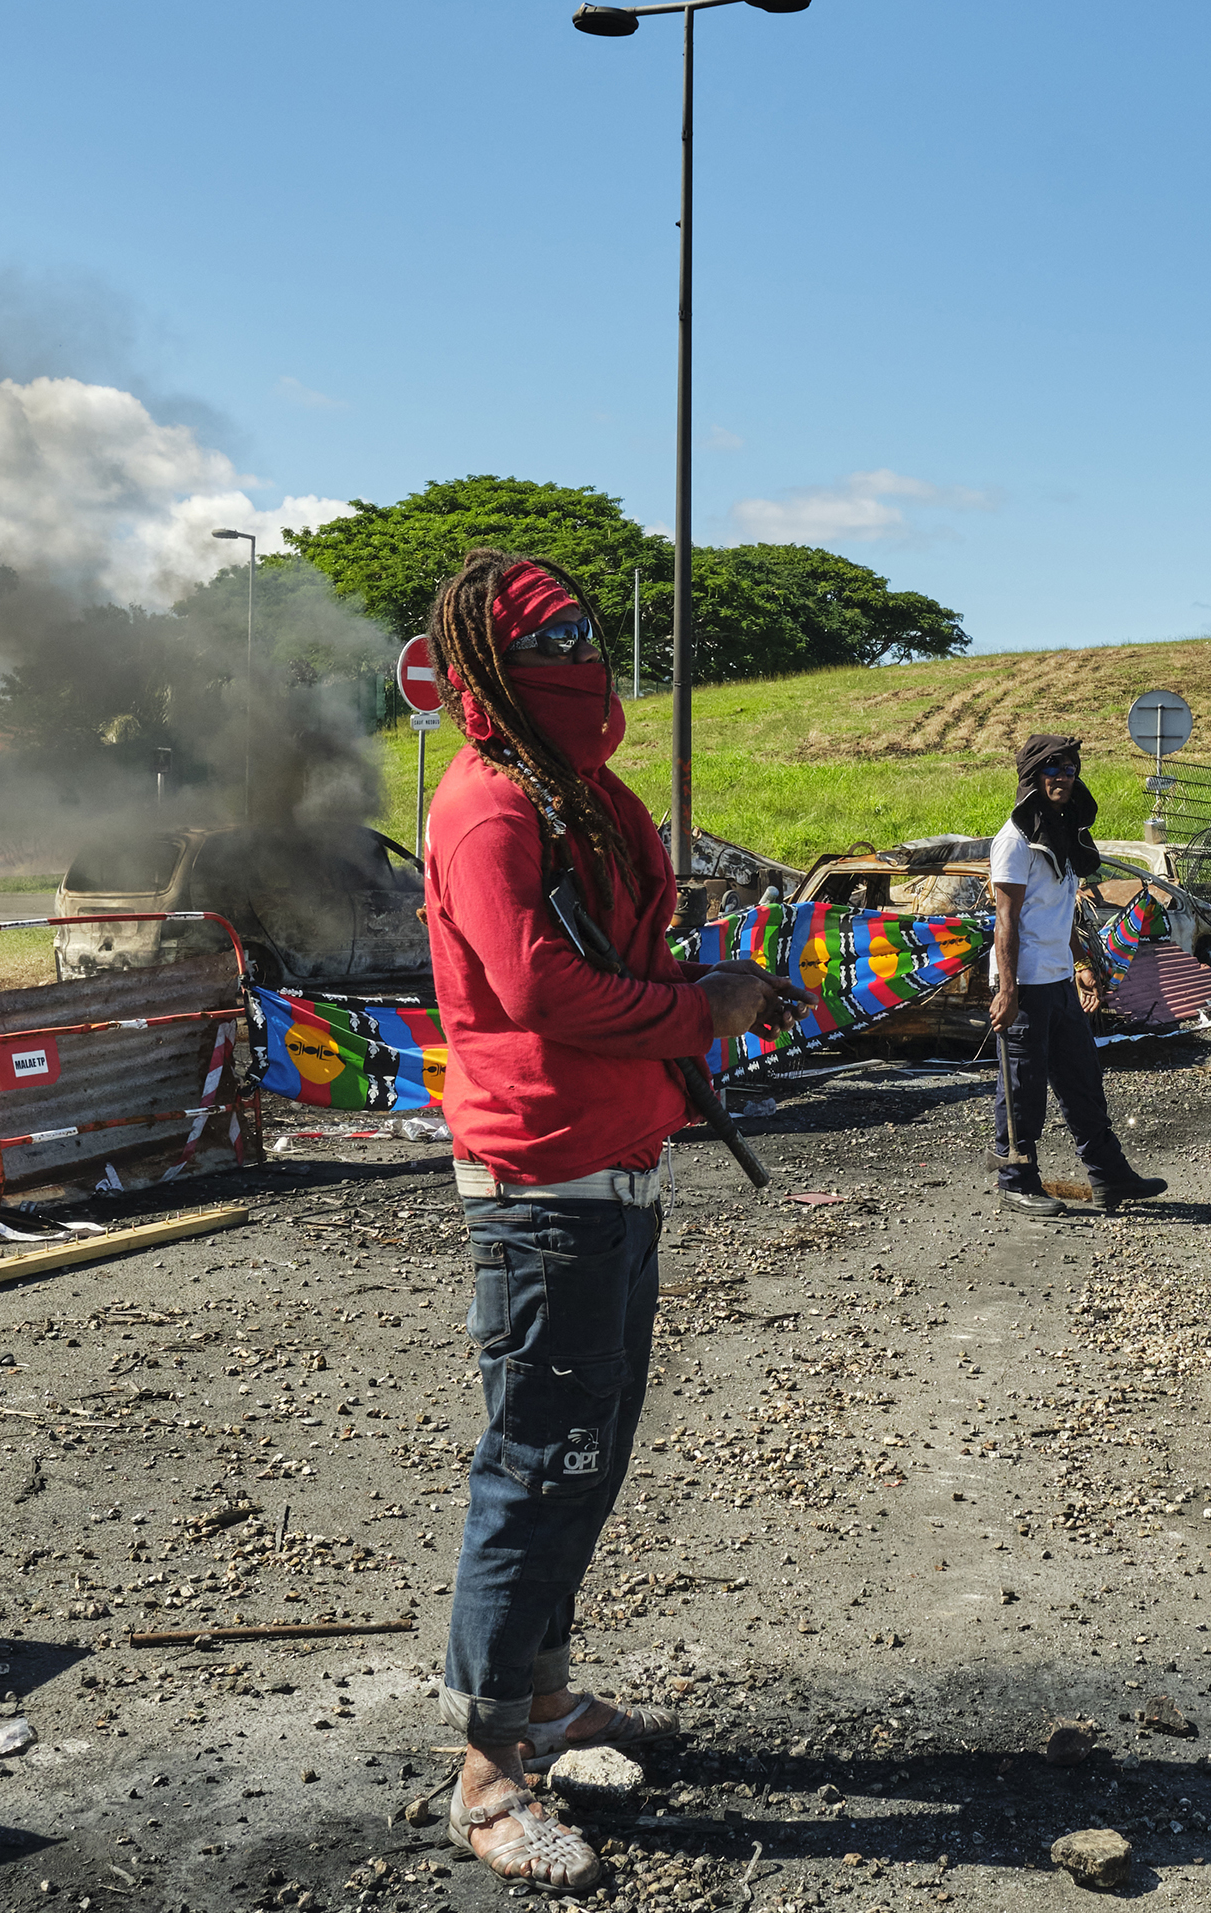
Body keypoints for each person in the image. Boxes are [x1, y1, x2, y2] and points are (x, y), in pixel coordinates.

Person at [418, 548, 803, 1890]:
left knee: (588, 1451)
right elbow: (533, 987)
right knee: (535, 1462)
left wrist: (705, 978)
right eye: (556, 634)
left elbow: (611, 963)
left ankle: (544, 1698)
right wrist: (700, 1015)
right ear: (493, 668)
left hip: (616, 1162)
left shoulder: (578, 798)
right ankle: (486, 1774)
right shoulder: (488, 811)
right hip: (543, 1182)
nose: (587, 650)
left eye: (586, 626)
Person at [987, 733, 1166, 1218]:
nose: (1063, 777)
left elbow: (1060, 913)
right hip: (1024, 985)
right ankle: (1016, 1181)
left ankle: (1110, 1178)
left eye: (1069, 769)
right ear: (1031, 778)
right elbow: (1006, 921)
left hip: (1060, 981)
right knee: (1022, 1088)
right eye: (1052, 769)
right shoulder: (1014, 841)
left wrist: (1082, 964)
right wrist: (1007, 991)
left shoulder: (1061, 836)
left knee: (1083, 1082)